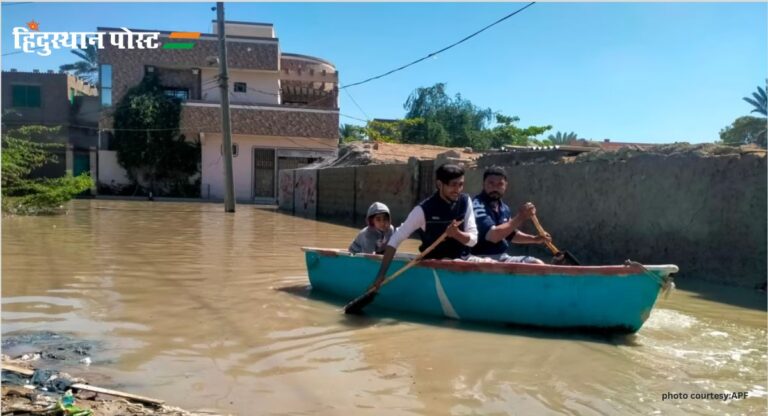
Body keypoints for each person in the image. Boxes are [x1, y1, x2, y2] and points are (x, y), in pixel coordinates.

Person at [367, 163, 478, 290]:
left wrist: (457, 234)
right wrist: (381, 274)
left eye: (461, 184)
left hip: (464, 259)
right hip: (437, 262)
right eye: (453, 185)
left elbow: (473, 240)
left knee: (492, 260)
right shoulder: (423, 210)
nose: (458, 189)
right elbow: (395, 240)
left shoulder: (465, 201)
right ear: (440, 184)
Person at [471, 166, 550, 264]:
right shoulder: (477, 205)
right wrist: (520, 217)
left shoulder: (504, 208)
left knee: (537, 264)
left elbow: (509, 234)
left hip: (501, 256)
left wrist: (535, 239)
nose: (495, 188)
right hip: (480, 257)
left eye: (500, 184)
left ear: (505, 186)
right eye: (491, 183)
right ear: (483, 184)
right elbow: (493, 236)